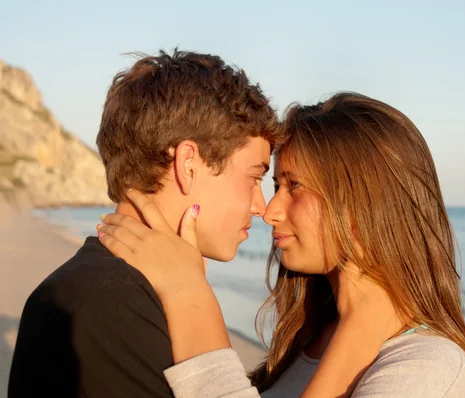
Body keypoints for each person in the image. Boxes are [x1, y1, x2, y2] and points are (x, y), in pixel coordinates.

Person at [98, 92, 465, 397]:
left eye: (294, 186)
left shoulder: (431, 368)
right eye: (274, 185)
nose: (269, 211)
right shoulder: (312, 343)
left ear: (360, 202)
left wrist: (189, 294)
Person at [8, 49, 283, 397]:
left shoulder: (102, 284)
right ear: (188, 165)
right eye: (254, 177)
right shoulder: (114, 302)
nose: (261, 206)